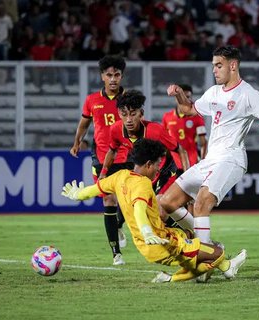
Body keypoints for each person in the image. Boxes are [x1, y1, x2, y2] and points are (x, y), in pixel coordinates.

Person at [160, 45, 259, 245]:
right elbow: (188, 109)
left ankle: (205, 259)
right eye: (213, 66)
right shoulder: (214, 92)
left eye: (218, 65)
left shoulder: (248, 94)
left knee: (201, 203)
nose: (214, 70)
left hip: (231, 158)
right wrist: (179, 94)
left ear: (233, 66)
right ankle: (210, 246)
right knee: (167, 201)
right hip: (211, 159)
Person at [61, 138, 247, 283]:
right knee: (217, 252)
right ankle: (175, 278)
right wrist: (147, 231)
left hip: (156, 239)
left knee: (193, 235)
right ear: (148, 164)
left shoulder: (119, 176)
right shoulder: (142, 184)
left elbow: (93, 190)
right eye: (157, 164)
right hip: (161, 243)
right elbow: (139, 209)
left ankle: (217, 268)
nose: (158, 169)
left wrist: (78, 194)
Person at [100, 90, 193, 231]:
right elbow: (112, 150)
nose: (129, 119)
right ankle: (184, 233)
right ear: (118, 114)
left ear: (141, 114)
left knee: (160, 212)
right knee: (143, 212)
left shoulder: (155, 131)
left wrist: (188, 180)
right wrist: (103, 173)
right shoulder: (115, 130)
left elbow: (181, 150)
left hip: (164, 172)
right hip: (145, 176)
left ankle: (192, 233)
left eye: (133, 114)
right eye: (124, 114)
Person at [70, 55, 132, 266]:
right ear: (102, 76)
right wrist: (77, 142)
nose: (113, 79)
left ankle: (120, 224)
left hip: (128, 155)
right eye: (109, 75)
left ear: (121, 76)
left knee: (129, 200)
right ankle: (116, 254)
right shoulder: (92, 100)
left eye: (116, 75)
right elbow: (84, 124)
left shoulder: (129, 98)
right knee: (109, 200)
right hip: (101, 157)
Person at [161, 84, 207, 171]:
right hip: (173, 164)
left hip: (192, 163)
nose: (185, 99)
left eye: (188, 97)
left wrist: (203, 162)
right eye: (183, 96)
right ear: (176, 98)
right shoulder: (167, 117)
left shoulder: (197, 117)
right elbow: (164, 142)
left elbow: (203, 142)